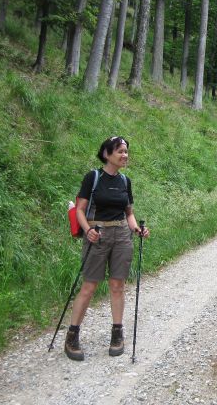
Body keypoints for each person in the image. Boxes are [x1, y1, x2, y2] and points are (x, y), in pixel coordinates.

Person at [64, 136, 149, 361]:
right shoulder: (93, 178)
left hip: (121, 234)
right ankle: (72, 336)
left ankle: (117, 333)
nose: (125, 155)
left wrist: (137, 229)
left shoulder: (125, 181)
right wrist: (87, 230)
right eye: (120, 151)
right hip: (97, 234)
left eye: (126, 151)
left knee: (117, 284)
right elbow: (80, 209)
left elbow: (129, 213)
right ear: (106, 154)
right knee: (89, 286)